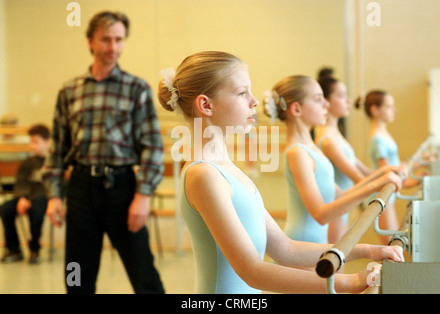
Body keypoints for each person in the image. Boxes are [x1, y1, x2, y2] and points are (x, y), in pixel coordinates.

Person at [158, 51, 404, 294]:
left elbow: (286, 249)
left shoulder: (230, 171)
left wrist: (367, 250)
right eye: (242, 93)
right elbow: (252, 271)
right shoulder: (203, 175)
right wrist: (349, 282)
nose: (254, 101)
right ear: (205, 105)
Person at [43, 11, 165, 294]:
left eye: (119, 40)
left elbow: (152, 146)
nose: (113, 47)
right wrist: (53, 195)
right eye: (106, 40)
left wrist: (143, 196)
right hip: (81, 188)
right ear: (90, 42)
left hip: (122, 188)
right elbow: (58, 147)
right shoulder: (69, 91)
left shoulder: (137, 89)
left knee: (144, 273)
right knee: (77, 275)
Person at [263, 75, 404, 245]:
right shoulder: (297, 153)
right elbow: (321, 215)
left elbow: (340, 195)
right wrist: (376, 184)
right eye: (318, 100)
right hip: (303, 240)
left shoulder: (311, 148)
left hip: (316, 241)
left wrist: (383, 175)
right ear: (296, 110)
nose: (326, 105)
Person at [314, 70, 396, 243]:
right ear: (326, 102)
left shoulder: (336, 134)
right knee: (336, 266)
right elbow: (358, 178)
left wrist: (390, 170)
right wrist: (385, 178)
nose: (348, 101)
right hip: (335, 209)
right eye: (342, 95)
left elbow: (364, 170)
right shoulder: (327, 139)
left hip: (342, 209)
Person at [356, 90, 419, 243]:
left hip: (388, 193)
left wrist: (415, 174)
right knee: (390, 246)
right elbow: (389, 173)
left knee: (392, 244)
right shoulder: (377, 139)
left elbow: (396, 169)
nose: (394, 110)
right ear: (375, 110)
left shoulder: (383, 135)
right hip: (382, 195)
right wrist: (415, 178)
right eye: (389, 107)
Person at [1, 124, 50, 264]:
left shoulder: (52, 162)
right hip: (25, 197)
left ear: (47, 142)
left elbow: (50, 187)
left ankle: (35, 249)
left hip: (43, 199)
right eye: (31, 142)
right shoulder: (27, 162)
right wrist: (23, 197)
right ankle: (13, 249)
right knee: (6, 208)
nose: (32, 146)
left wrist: (30, 199)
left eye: (36, 142)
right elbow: (21, 182)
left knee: (37, 209)